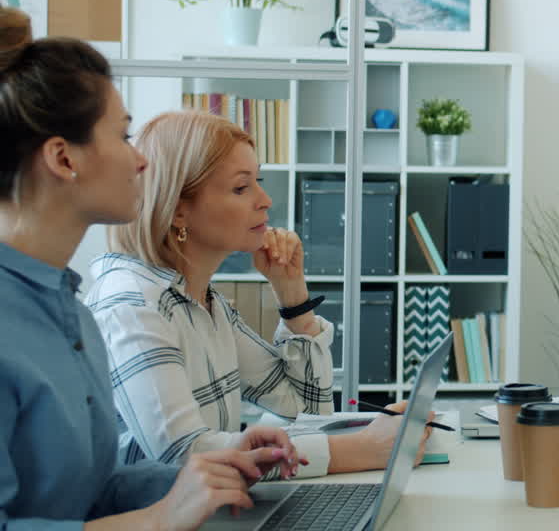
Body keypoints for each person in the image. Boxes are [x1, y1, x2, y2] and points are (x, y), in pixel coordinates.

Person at [0, 25, 295, 528]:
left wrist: (211, 472)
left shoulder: (68, 308)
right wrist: (160, 518)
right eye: (123, 135)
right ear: (63, 158)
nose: (141, 161)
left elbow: (94, 489)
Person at [86, 110, 428, 477]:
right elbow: (184, 457)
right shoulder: (134, 304)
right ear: (179, 211)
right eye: (241, 187)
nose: (265, 200)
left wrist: (292, 293)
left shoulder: (202, 301)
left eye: (258, 181)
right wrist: (358, 449)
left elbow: (307, 406)